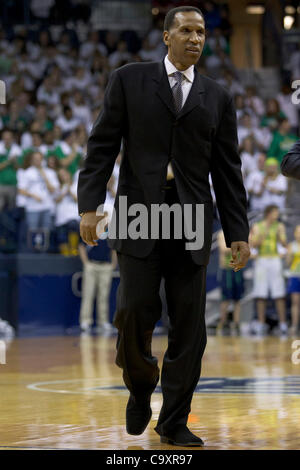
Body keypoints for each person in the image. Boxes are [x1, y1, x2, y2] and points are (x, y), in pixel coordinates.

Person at [78, 6, 250, 447]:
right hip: (139, 212)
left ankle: (173, 420)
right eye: (187, 31)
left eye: (201, 32)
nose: (196, 39)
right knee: (133, 312)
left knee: (190, 326)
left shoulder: (218, 96)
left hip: (193, 216)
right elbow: (101, 146)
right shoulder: (129, 79)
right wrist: (90, 206)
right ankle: (139, 386)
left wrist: (238, 232)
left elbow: (228, 171)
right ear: (166, 36)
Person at [250, 205, 288, 336]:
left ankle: (283, 323)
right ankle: (261, 323)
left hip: (275, 259)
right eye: (275, 213)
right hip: (261, 260)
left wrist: (280, 237)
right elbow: (253, 244)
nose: (276, 215)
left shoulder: (279, 226)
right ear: (268, 213)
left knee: (279, 293)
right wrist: (265, 231)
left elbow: (284, 243)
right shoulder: (258, 226)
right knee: (261, 293)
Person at [217, 230, 244, 335]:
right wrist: (238, 246)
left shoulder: (237, 233)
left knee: (238, 298)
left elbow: (245, 248)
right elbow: (224, 249)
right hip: (227, 269)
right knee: (225, 299)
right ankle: (223, 323)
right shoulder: (221, 234)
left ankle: (236, 323)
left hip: (237, 269)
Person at [286, 225, 300, 335]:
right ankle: (294, 325)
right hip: (295, 275)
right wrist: (289, 255)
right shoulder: (292, 246)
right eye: (297, 232)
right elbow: (288, 262)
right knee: (295, 302)